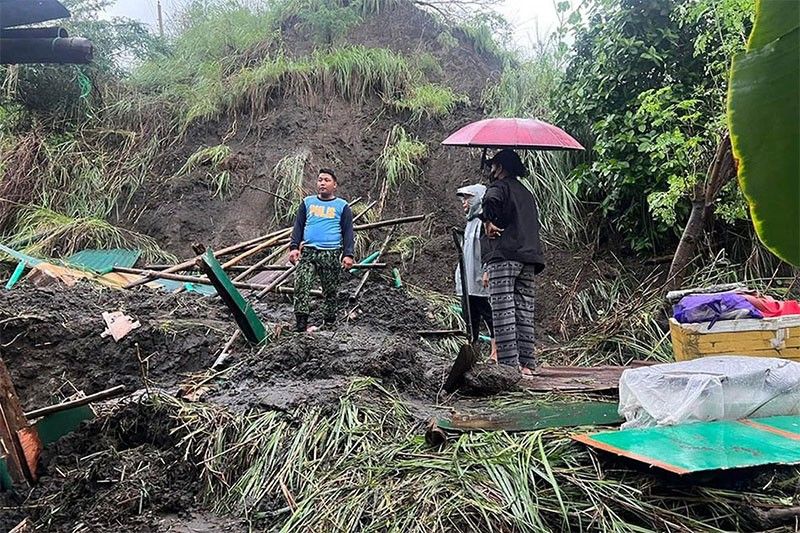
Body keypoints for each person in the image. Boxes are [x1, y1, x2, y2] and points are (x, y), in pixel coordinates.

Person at [479, 149, 545, 375]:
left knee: (503, 309)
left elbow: (490, 198)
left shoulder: (500, 187)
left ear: (502, 167)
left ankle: (508, 367)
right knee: (523, 310)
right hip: (528, 257)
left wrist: (487, 220)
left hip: (505, 256)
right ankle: (527, 365)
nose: (491, 170)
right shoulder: (526, 192)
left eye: (494, 166)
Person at [289, 168, 355, 332]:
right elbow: (298, 226)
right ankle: (301, 323)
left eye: (326, 180)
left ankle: (330, 322)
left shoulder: (342, 206)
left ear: (335, 185)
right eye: (320, 180)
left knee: (330, 290)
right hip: (309, 252)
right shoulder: (307, 203)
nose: (322, 183)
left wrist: (348, 254)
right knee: (301, 286)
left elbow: (348, 232)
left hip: (331, 253)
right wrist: (294, 247)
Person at [455, 184, 498, 361]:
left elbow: (490, 247)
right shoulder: (470, 223)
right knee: (469, 316)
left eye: (468, 198)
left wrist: (488, 270)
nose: (464, 203)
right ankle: (472, 351)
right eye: (463, 199)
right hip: (468, 280)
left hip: (480, 279)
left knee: (489, 315)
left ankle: (496, 351)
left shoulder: (484, 222)